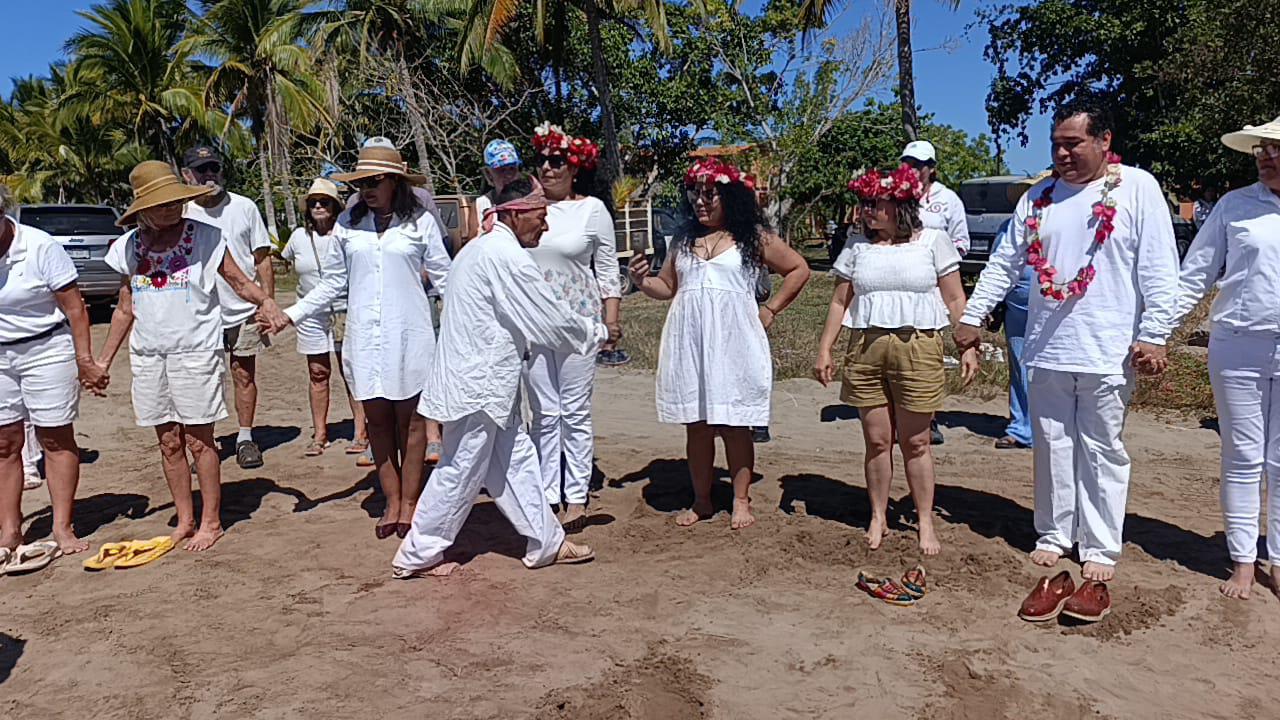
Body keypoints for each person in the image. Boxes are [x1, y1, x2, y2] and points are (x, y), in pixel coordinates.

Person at [955, 98, 1180, 585]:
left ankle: (1100, 544)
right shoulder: (1037, 199)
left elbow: (1162, 269)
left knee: (1101, 448)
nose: (1062, 153)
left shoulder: (1137, 188)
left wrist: (1155, 334)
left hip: (1109, 346)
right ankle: (1054, 533)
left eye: (1073, 143)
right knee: (1052, 444)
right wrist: (973, 315)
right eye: (1056, 144)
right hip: (1046, 347)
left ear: (1104, 142)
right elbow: (1004, 262)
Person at [393, 177, 600, 577]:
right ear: (516, 215)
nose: (545, 226)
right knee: (460, 469)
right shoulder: (504, 256)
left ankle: (547, 543)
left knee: (517, 462)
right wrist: (596, 333)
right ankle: (415, 555)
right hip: (479, 386)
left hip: (483, 384)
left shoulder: (481, 249)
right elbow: (549, 318)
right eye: (540, 217)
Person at [96, 161, 289, 552]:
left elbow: (238, 281)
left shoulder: (207, 237)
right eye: (160, 204)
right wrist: (102, 361)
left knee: (201, 441)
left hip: (195, 353)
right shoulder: (128, 246)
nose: (170, 209)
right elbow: (124, 308)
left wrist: (267, 302)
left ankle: (211, 521)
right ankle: (185, 518)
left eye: (174, 202)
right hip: (149, 356)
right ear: (142, 209)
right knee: (168, 442)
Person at [266, 141, 451, 540]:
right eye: (361, 181)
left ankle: (412, 501)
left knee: (413, 422)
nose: (367, 188)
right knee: (378, 421)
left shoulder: (420, 222)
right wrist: (290, 314)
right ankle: (391, 498)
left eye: (375, 180)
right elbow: (334, 282)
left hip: (411, 333)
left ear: (396, 182)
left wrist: (468, 324)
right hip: (365, 336)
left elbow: (445, 277)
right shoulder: (348, 224)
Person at [629, 158, 810, 530]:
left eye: (710, 194)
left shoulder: (753, 237)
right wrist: (642, 281)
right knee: (696, 425)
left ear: (729, 196)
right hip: (691, 341)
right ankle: (702, 500)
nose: (701, 201)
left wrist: (771, 309)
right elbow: (667, 288)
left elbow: (799, 269)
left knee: (735, 423)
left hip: (734, 341)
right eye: (696, 193)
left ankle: (741, 501)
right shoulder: (683, 239)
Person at [813, 164, 978, 556]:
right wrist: (825, 348)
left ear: (899, 205)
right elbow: (840, 301)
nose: (867, 211)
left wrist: (967, 344)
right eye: (864, 203)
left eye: (876, 203)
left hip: (918, 348)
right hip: (867, 348)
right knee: (877, 440)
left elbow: (955, 299)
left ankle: (924, 521)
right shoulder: (857, 245)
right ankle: (878, 515)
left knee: (917, 441)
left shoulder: (933, 241)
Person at [1173, 116, 1280, 600]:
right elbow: (1195, 272)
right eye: (1261, 149)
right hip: (1238, 343)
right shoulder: (1235, 207)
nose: (1266, 157)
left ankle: (1276, 559)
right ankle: (1241, 560)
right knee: (1242, 456)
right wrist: (1155, 332)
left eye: (1275, 149)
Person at [524, 123, 621, 529]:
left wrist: (610, 321)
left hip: (580, 323)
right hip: (533, 323)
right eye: (543, 160)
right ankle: (547, 492)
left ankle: (577, 495)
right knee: (544, 412)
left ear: (575, 167)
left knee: (575, 412)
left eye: (557, 161)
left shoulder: (592, 210)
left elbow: (607, 270)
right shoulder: (526, 208)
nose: (548, 168)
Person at [1, 183, 101, 557]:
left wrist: (85, 360)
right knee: (4, 443)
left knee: (55, 438)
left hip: (47, 348)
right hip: (0, 356)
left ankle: (62, 526)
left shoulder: (40, 246)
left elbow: (76, 309)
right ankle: (10, 530)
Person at [181, 145, 273, 470]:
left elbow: (262, 259)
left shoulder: (244, 207)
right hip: (200, 313)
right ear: (186, 174)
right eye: (200, 169)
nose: (208, 175)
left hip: (243, 309)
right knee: (205, 378)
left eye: (213, 168)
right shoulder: (182, 212)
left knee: (243, 374)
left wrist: (267, 303)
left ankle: (245, 438)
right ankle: (208, 442)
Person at [280, 178, 370, 462]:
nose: (318, 206)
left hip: (345, 309)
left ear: (335, 206)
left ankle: (361, 432)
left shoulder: (348, 234)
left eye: (325, 202)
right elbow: (287, 263)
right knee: (318, 373)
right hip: (310, 312)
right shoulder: (297, 238)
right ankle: (320, 433)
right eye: (313, 203)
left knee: (352, 372)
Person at [901, 140, 971, 447]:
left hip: (934, 285)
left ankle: (928, 417)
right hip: (901, 281)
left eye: (918, 165)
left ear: (932, 169)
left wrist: (938, 260)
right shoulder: (894, 195)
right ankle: (898, 414)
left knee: (928, 350)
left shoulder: (949, 199)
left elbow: (962, 241)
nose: (912, 170)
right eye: (907, 163)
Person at [991, 175, 1049, 451]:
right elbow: (998, 267)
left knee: (1047, 368)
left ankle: (1045, 426)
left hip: (1051, 307)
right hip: (1016, 307)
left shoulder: (1055, 227)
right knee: (1019, 365)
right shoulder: (1008, 229)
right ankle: (1020, 427)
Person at [471, 139, 524, 241]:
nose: (508, 175)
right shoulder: (480, 205)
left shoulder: (529, 201)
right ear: (489, 174)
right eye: (501, 170)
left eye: (512, 169)